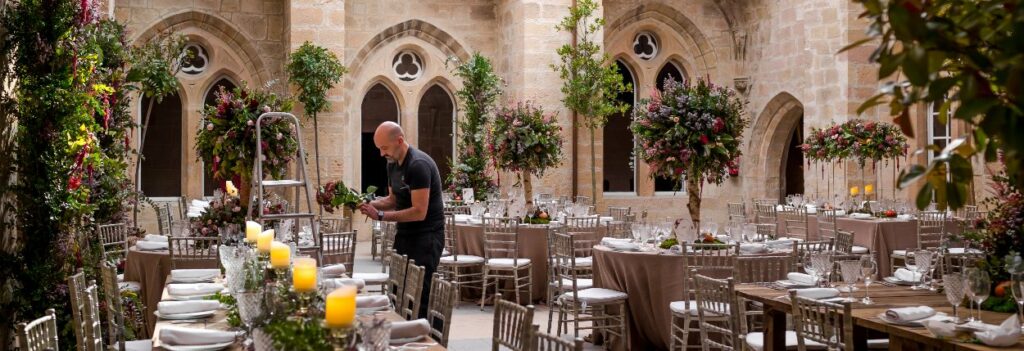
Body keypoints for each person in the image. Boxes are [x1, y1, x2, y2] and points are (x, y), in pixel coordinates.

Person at [359, 121, 444, 318]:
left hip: (427, 237)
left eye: (384, 148)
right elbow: (393, 200)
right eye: (379, 149)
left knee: (420, 296)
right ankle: (402, 336)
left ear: (400, 140)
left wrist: (380, 216)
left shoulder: (418, 165)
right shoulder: (392, 165)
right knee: (398, 290)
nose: (382, 154)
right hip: (405, 234)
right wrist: (366, 203)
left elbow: (419, 211)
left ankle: (426, 343)